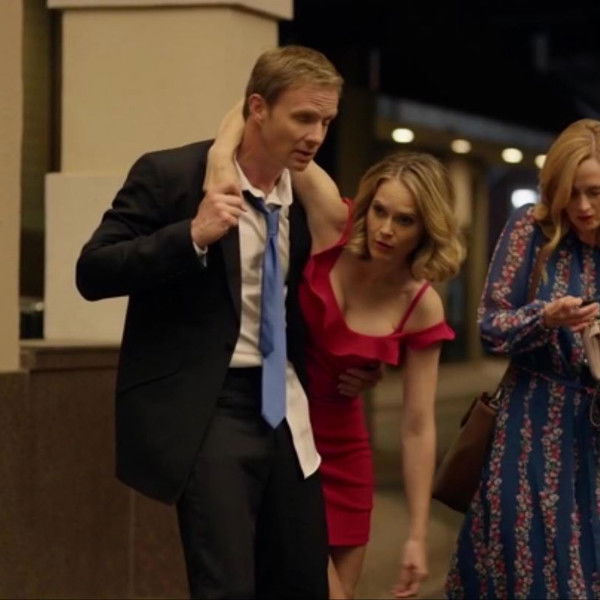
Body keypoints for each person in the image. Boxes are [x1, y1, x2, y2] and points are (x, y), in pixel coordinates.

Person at [76, 45, 377, 600]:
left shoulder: (303, 199)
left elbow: (323, 299)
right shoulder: (172, 174)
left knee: (303, 580)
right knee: (227, 585)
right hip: (210, 405)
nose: (316, 135)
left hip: (286, 407)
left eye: (326, 122)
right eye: (303, 118)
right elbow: (92, 271)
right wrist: (191, 235)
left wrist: (358, 363)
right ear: (257, 108)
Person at [207, 121, 464, 598]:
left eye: (404, 220)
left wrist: (416, 534)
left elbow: (417, 425)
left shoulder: (421, 304)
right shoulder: (332, 223)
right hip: (282, 435)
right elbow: (260, 111)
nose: (385, 229)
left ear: (427, 228)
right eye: (380, 211)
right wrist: (220, 161)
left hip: (345, 453)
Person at [446, 118, 600, 599]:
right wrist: (545, 317)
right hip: (532, 425)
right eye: (571, 192)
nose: (582, 206)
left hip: (595, 435)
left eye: (595, 192)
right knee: (529, 568)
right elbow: (490, 326)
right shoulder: (531, 229)